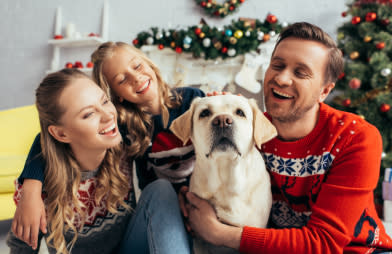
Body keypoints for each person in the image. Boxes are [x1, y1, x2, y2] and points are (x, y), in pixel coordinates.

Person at [179, 22, 392, 253]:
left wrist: (218, 233)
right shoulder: (250, 129)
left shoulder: (355, 137)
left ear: (324, 91)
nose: (281, 79)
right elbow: (204, 162)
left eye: (300, 73)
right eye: (277, 65)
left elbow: (325, 243)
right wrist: (185, 194)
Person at [13, 42, 205, 249]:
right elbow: (43, 141)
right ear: (60, 133)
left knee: (161, 189)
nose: (107, 116)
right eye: (88, 114)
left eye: (105, 102)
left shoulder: (120, 137)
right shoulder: (126, 129)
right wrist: (31, 190)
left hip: (134, 243)